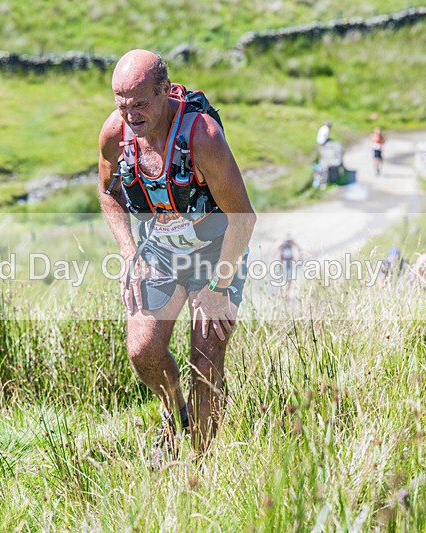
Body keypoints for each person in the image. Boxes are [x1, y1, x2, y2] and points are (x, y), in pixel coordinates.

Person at [98, 50, 256, 466]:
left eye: (140, 104)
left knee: (205, 360)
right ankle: (174, 411)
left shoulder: (202, 136)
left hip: (215, 251)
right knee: (143, 350)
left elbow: (243, 218)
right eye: (122, 105)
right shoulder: (115, 134)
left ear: (165, 91)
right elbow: (107, 192)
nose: (130, 116)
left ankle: (203, 465)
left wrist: (220, 287)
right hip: (161, 251)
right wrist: (129, 250)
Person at [277, 234, 301, 300]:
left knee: (289, 280)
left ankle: (287, 294)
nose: (287, 241)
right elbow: (274, 250)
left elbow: (298, 248)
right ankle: (282, 294)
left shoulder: (291, 243)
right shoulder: (281, 243)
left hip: (289, 264)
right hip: (283, 264)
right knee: (283, 280)